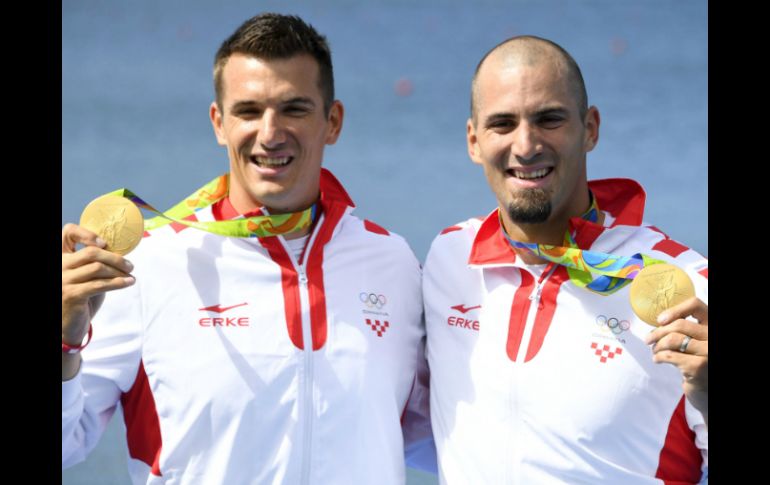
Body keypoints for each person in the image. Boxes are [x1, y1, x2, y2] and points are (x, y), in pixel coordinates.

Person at [62, 13, 431, 484]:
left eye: (294, 108)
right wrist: (64, 339)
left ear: (332, 122)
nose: (271, 133)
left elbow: (450, 437)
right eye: (249, 111)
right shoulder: (150, 265)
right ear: (219, 122)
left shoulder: (393, 262)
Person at [422, 36, 708, 483]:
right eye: (502, 124)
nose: (526, 145)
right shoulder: (449, 258)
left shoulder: (687, 282)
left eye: (548, 119)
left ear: (590, 128)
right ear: (474, 141)